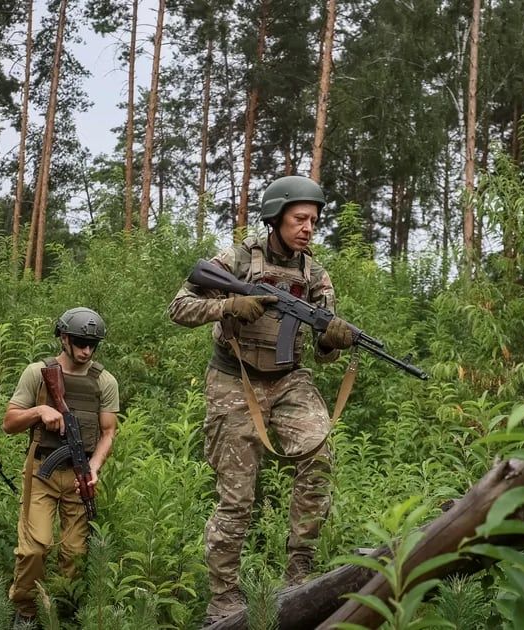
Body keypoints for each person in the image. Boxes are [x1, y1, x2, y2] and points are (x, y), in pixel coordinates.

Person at [168, 175, 356, 623]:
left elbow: (323, 353)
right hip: (234, 379)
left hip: (289, 379)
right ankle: (224, 598)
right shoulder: (236, 259)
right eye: (299, 219)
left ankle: (299, 573)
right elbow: (179, 307)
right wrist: (227, 306)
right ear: (276, 217)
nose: (308, 228)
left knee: (319, 456)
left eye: (313, 220)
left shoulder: (315, 274)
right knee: (237, 497)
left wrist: (331, 341)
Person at [3, 308, 119, 624]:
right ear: (64, 338)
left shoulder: (104, 381)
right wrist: (39, 411)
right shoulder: (37, 373)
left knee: (75, 553)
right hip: (43, 470)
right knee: (34, 549)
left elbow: (109, 432)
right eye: (80, 342)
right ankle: (26, 611)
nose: (86, 351)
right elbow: (9, 423)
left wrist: (94, 466)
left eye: (92, 345)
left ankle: (62, 611)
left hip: (80, 476)